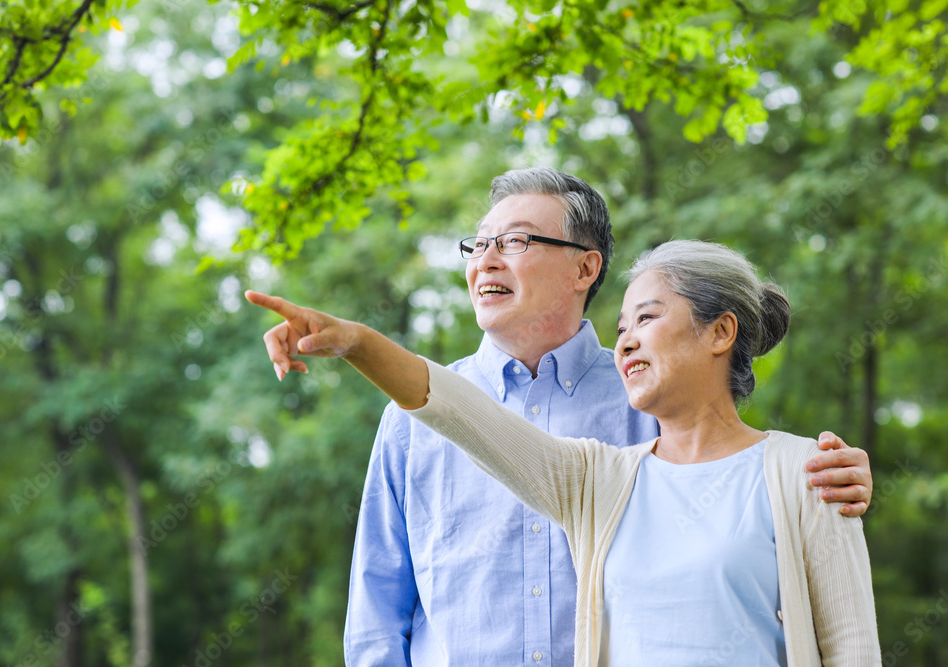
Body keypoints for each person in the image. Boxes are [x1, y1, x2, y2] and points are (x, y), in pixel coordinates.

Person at [252, 168, 873, 666]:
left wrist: (821, 481)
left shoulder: (654, 402)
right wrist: (357, 343)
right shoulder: (424, 423)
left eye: (517, 240)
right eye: (480, 243)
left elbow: (735, 481)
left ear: (586, 266)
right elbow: (377, 614)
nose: (487, 259)